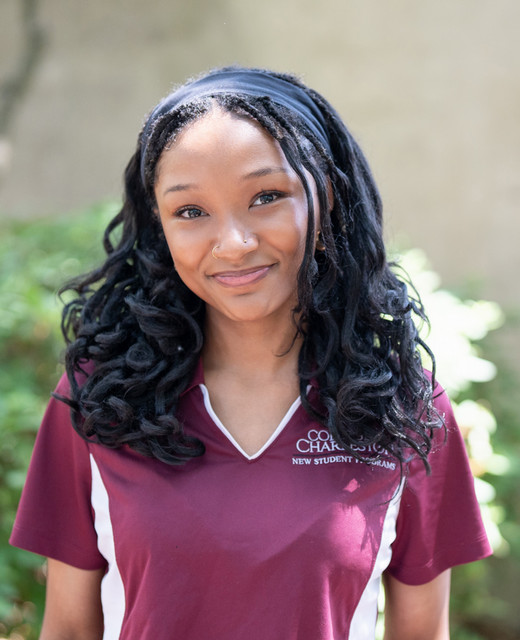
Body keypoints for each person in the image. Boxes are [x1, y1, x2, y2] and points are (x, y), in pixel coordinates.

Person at [11, 66, 491, 640]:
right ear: (160, 226)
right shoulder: (99, 399)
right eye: (190, 211)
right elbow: (66, 629)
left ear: (325, 197)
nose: (234, 244)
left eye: (266, 197)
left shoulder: (403, 410)